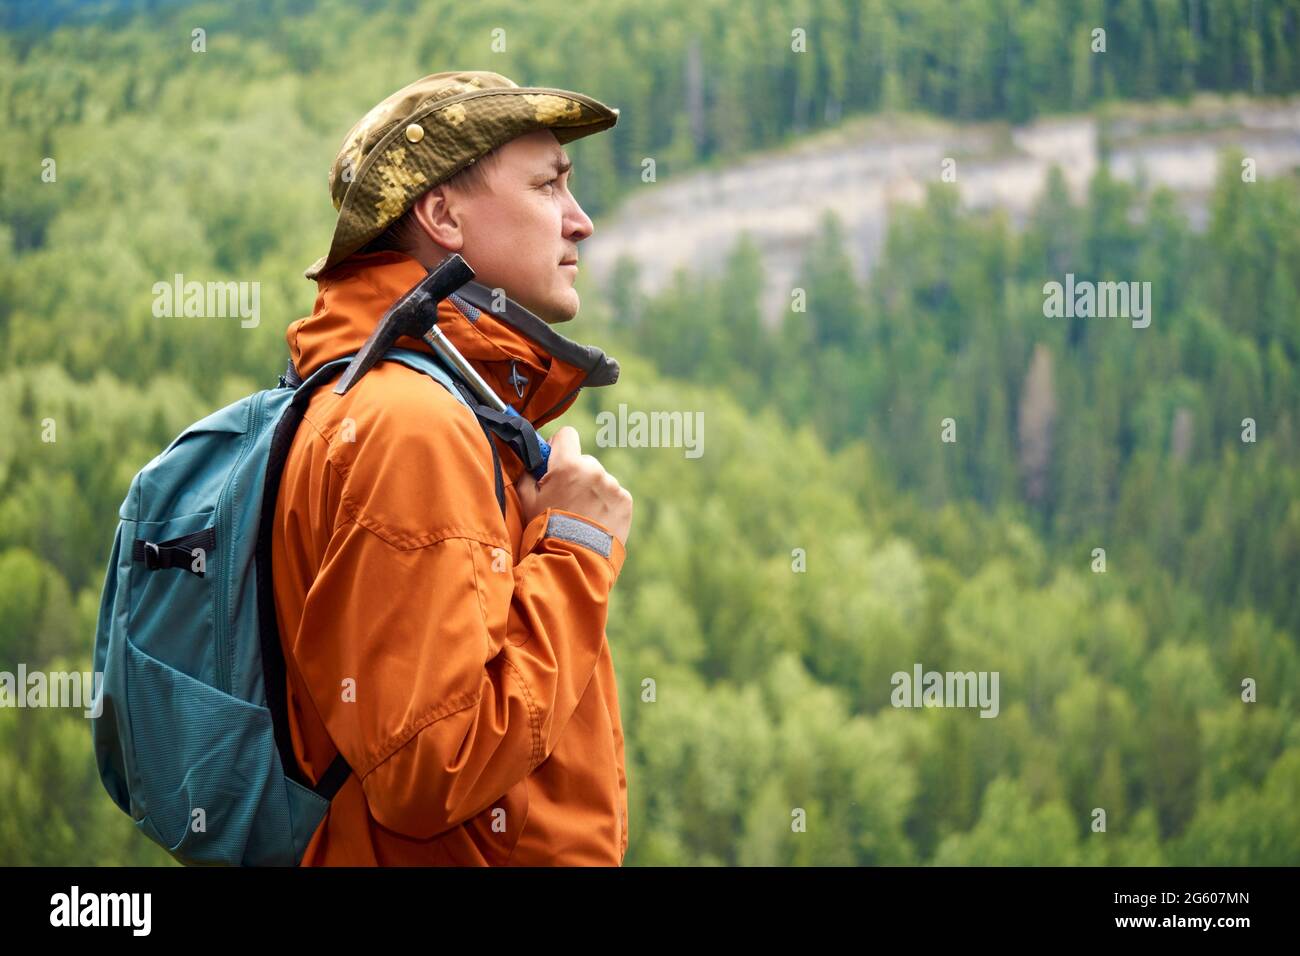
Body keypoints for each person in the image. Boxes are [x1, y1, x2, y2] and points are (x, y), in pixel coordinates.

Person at [271, 70, 633, 865]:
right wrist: (576, 546)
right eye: (548, 186)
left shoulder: (409, 405)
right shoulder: (412, 428)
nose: (582, 223)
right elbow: (428, 772)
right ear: (441, 214)